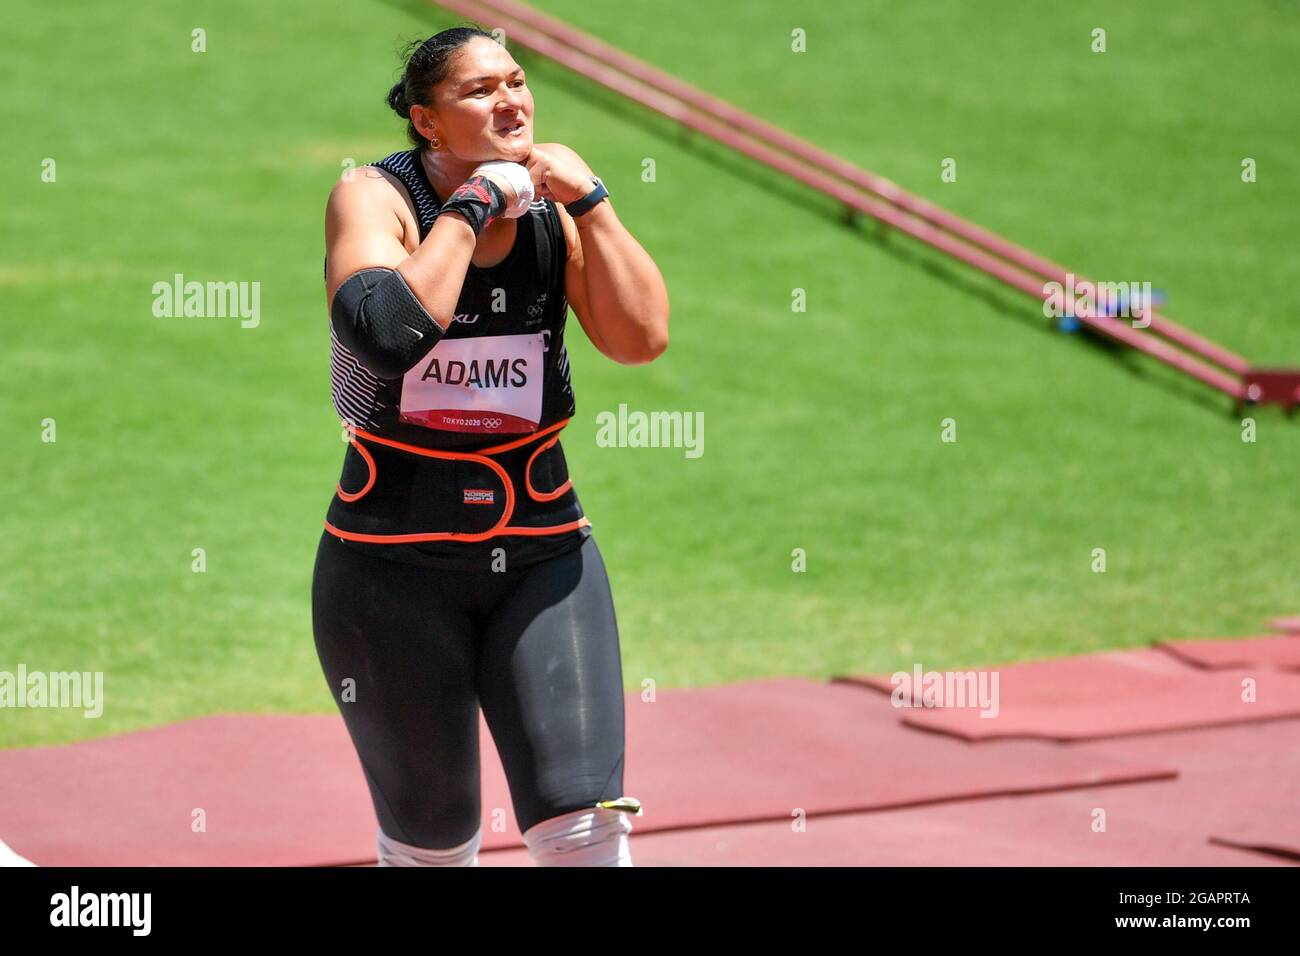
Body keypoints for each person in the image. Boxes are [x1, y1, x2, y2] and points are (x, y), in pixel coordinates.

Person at [311, 25, 669, 867]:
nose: (511, 100)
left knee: (587, 830)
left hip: (543, 553)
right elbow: (387, 334)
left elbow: (641, 339)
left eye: (516, 81)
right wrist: (472, 206)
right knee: (432, 846)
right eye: (480, 90)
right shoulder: (373, 197)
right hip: (390, 568)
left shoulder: (555, 207)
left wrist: (593, 202)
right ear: (427, 122)